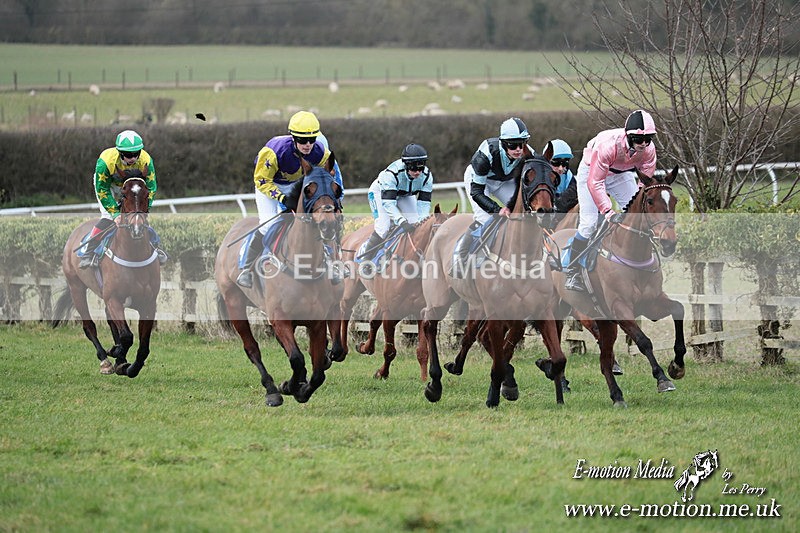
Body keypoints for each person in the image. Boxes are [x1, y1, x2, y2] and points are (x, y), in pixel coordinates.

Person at [237, 110, 334, 288]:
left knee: (318, 220)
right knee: (267, 224)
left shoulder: (320, 152)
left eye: (312, 140)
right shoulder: (274, 152)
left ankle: (330, 260)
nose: (308, 145)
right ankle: (247, 267)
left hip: (296, 184)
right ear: (293, 138)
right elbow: (261, 180)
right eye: (303, 140)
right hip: (269, 184)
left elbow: (325, 177)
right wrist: (282, 197)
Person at [564, 109, 657, 292]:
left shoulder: (649, 150)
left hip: (621, 175)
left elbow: (644, 184)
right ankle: (572, 270)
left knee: (638, 217)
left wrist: (638, 206)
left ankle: (640, 261)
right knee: (589, 225)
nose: (644, 144)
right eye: (639, 139)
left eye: (649, 138)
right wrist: (608, 211)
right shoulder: (609, 146)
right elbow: (595, 181)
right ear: (628, 136)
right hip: (591, 174)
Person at [454, 117, 535, 272]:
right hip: (479, 182)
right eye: (513, 145)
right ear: (503, 143)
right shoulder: (485, 155)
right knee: (485, 218)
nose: (518, 149)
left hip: (504, 181)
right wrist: (497, 209)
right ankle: (462, 257)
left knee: (522, 210)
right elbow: (477, 192)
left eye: (522, 143)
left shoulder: (527, 153)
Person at [79, 130, 167, 269]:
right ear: (120, 152)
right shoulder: (105, 162)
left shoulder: (146, 160)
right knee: (108, 217)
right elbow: (102, 190)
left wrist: (143, 210)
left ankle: (156, 247)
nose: (132, 158)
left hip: (133, 188)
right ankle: (89, 253)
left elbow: (151, 188)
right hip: (109, 187)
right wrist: (115, 213)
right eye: (128, 154)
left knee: (138, 218)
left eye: (136, 154)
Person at [361, 143, 433, 261]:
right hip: (381, 193)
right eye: (414, 168)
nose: (418, 172)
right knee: (383, 228)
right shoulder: (391, 174)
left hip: (405, 194)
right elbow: (388, 204)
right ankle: (365, 260)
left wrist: (422, 221)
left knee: (416, 224)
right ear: (406, 165)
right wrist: (401, 221)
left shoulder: (427, 176)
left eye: (421, 168)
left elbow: (424, 204)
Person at [543, 139, 578, 216]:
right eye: (556, 163)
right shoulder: (540, 177)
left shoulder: (569, 177)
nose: (561, 168)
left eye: (565, 164)